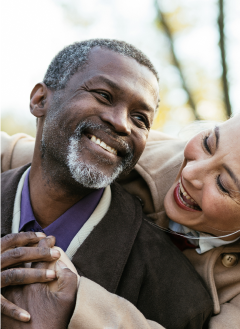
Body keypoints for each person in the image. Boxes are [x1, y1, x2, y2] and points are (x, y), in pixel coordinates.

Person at [1, 99, 240, 329]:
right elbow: (20, 154)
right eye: (210, 143)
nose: (191, 173)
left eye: (223, 184)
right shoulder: (147, 154)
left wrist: (76, 302)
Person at [0, 39, 214, 328]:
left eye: (140, 118)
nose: (123, 124)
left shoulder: (176, 292)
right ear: (40, 100)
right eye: (103, 95)